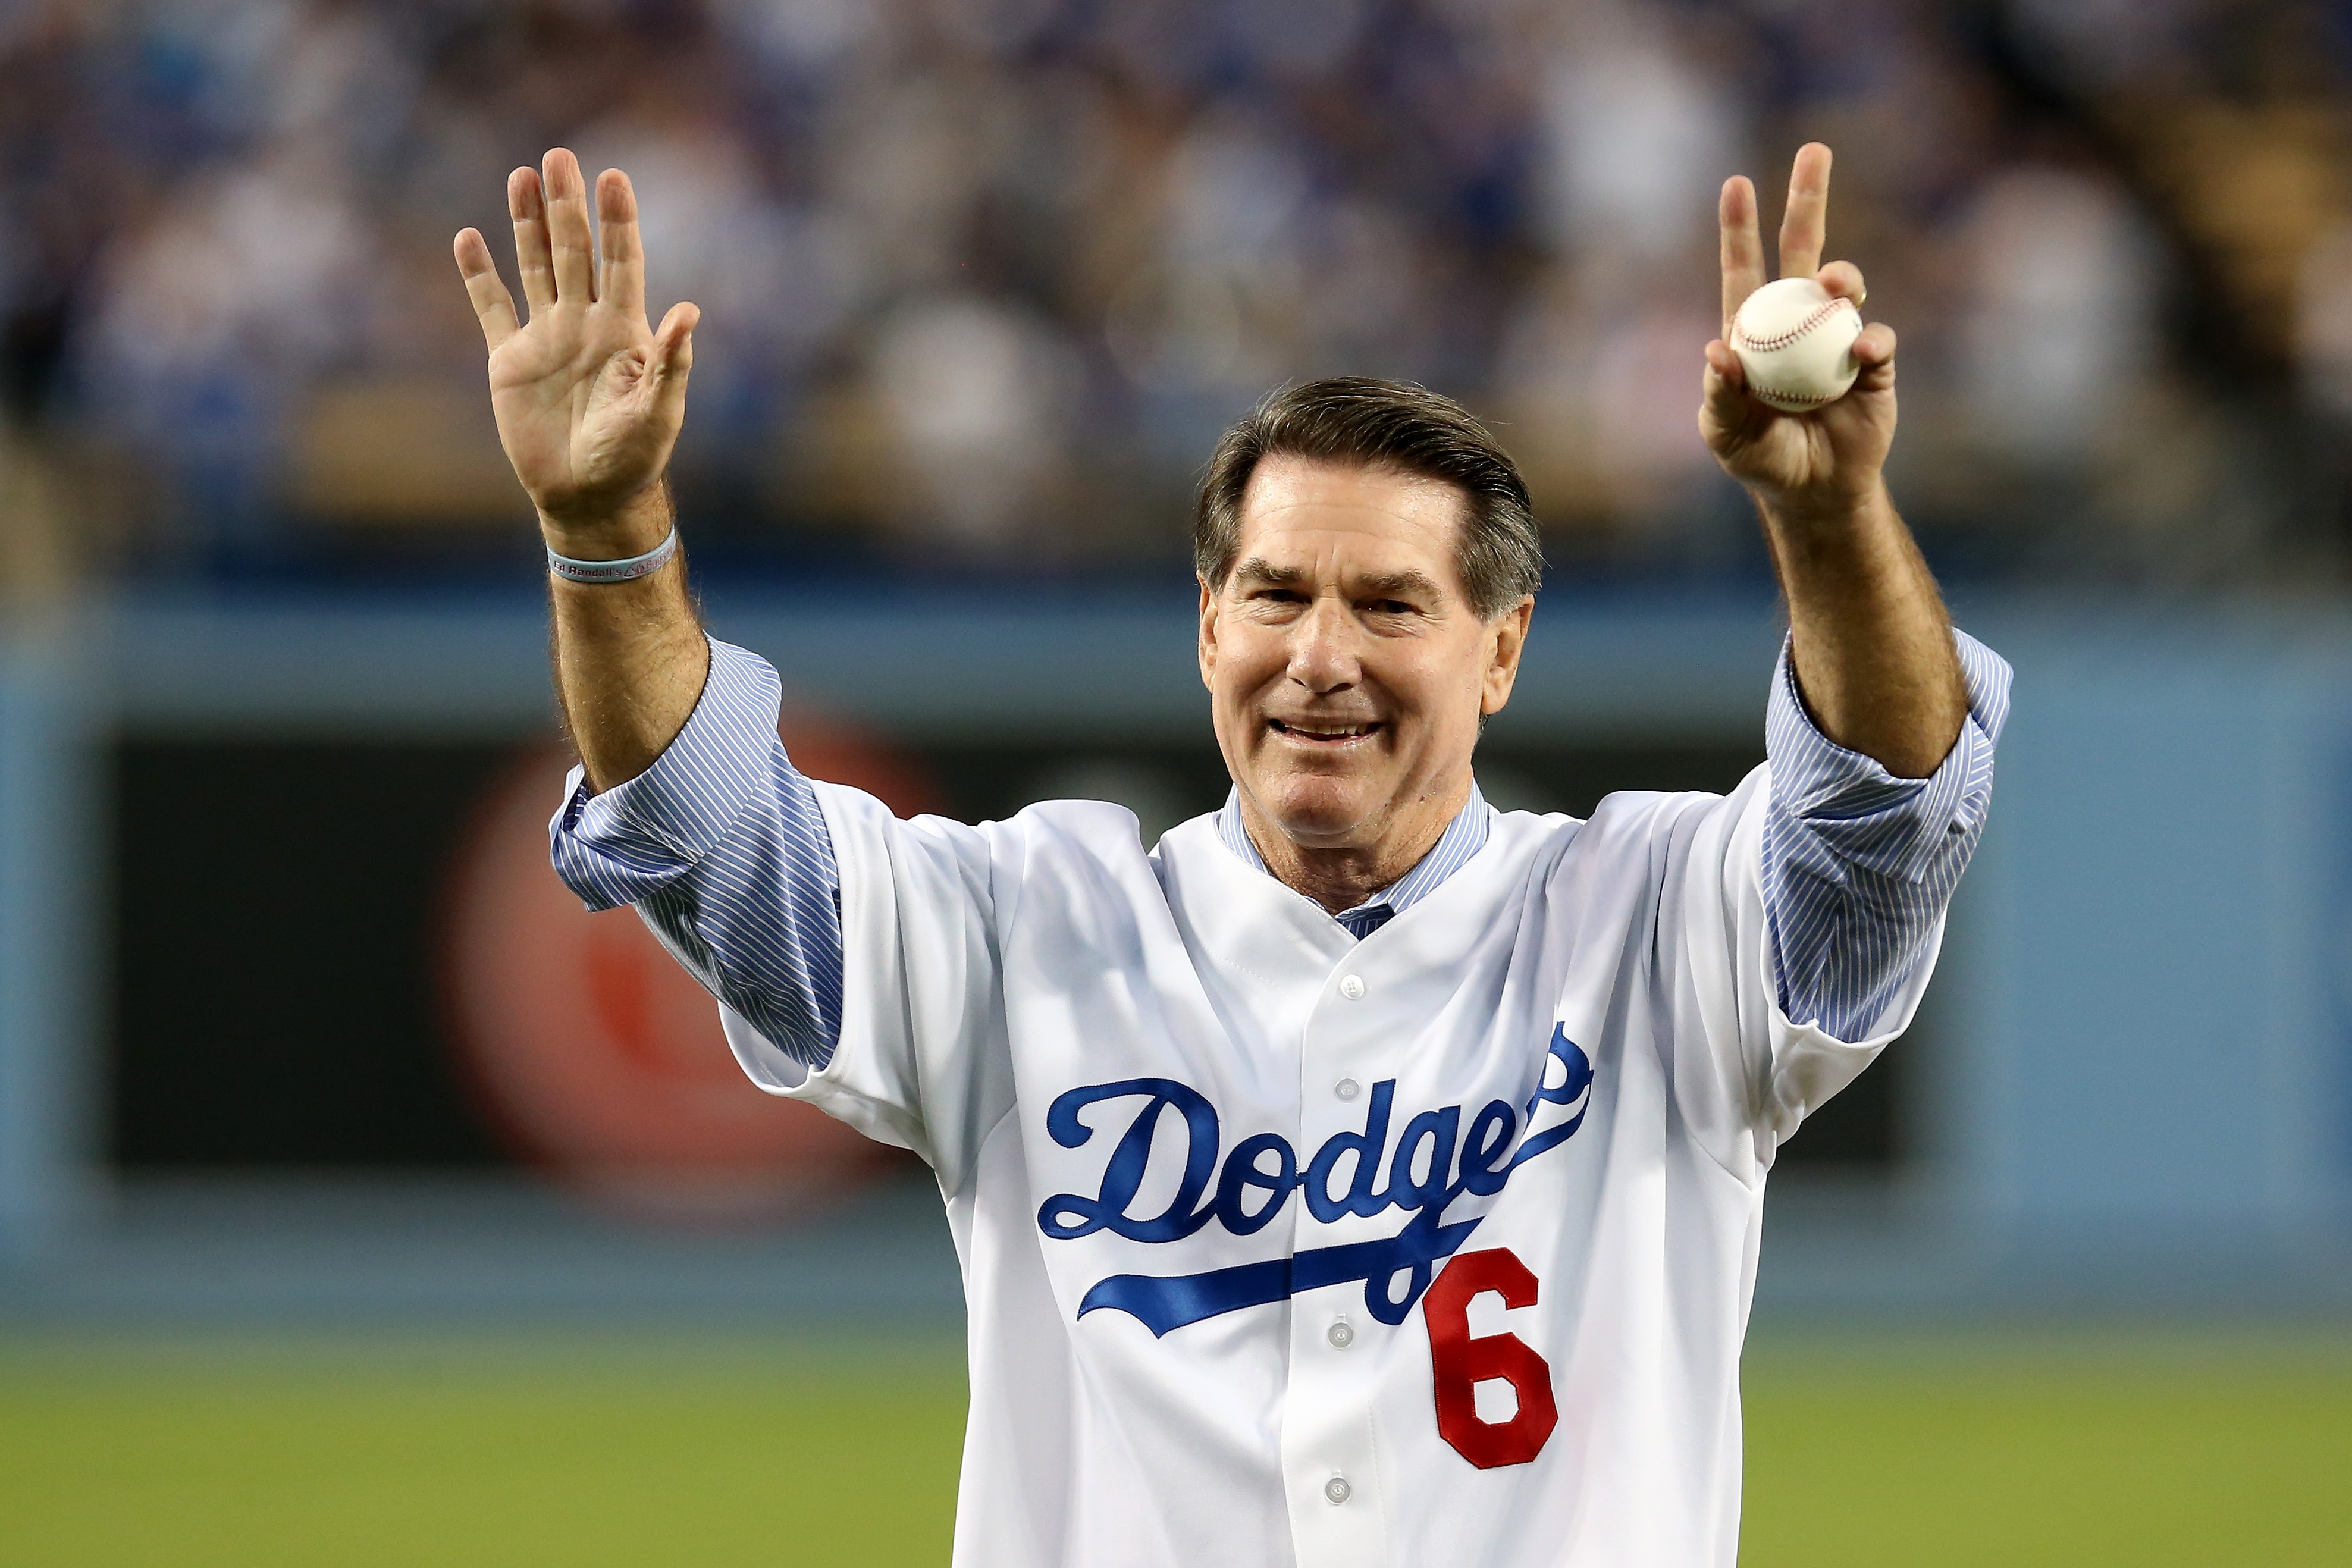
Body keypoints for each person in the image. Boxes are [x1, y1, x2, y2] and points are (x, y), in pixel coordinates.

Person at [453, 140, 2007, 1567]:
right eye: (1273, 596)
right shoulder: (1023, 929)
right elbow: (703, 835)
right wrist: (607, 534)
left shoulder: (1656, 917)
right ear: (1209, 631)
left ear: (1501, 651)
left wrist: (1829, 519)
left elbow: (1885, 815)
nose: (1318, 655)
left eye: (1391, 604)